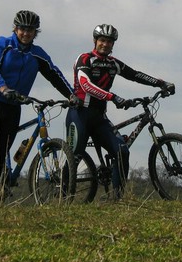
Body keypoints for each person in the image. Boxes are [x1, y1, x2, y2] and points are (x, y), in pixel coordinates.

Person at [0, 10, 75, 206]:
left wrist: (71, 95)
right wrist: (3, 88)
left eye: (31, 30)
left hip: (14, 107)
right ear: (15, 29)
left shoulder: (37, 54)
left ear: (36, 32)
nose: (26, 33)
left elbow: (54, 74)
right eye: (22, 29)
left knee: (0, 156)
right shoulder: (3, 44)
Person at [66, 23, 175, 200]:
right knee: (74, 156)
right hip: (79, 114)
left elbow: (135, 74)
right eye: (102, 40)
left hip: (99, 117)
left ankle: (117, 198)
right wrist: (112, 97)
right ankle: (64, 197)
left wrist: (160, 83)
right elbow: (85, 85)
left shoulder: (113, 63)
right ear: (95, 41)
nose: (105, 44)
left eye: (109, 42)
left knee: (122, 151)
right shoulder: (84, 59)